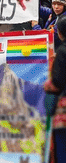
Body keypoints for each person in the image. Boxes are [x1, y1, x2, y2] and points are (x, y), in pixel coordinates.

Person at [45, 15, 66, 162]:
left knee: (62, 151)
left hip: (64, 114)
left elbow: (57, 82)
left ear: (60, 33)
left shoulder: (63, 52)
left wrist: (47, 85)